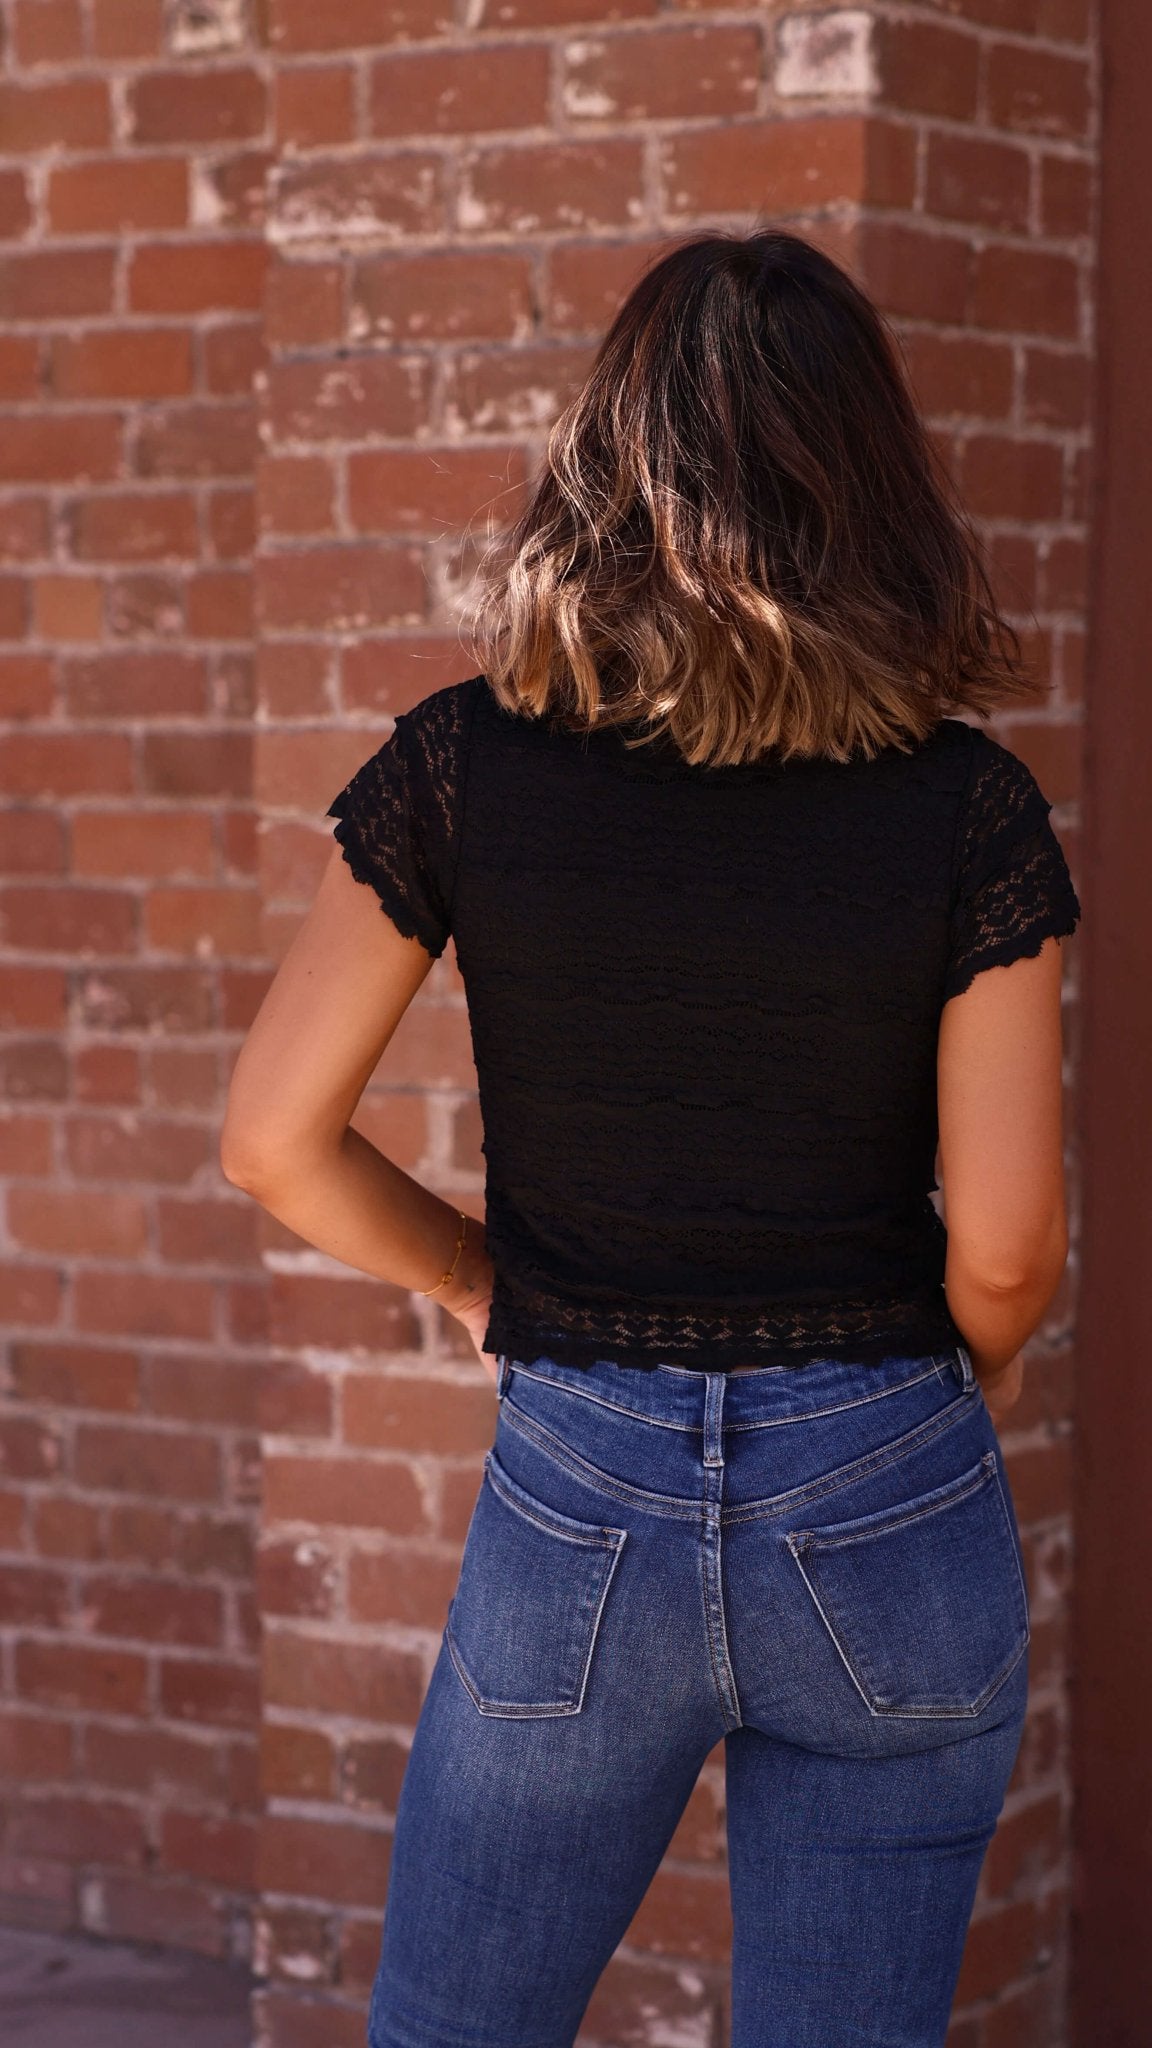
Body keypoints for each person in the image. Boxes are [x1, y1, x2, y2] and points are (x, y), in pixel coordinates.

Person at [222, 228, 1080, 2048]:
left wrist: (479, 1281)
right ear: (873, 492)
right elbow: (1005, 1252)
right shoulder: (967, 811)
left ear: (605, 467)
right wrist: (908, 1421)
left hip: (581, 1477)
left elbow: (274, 1140)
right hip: (888, 1475)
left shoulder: (463, 765)